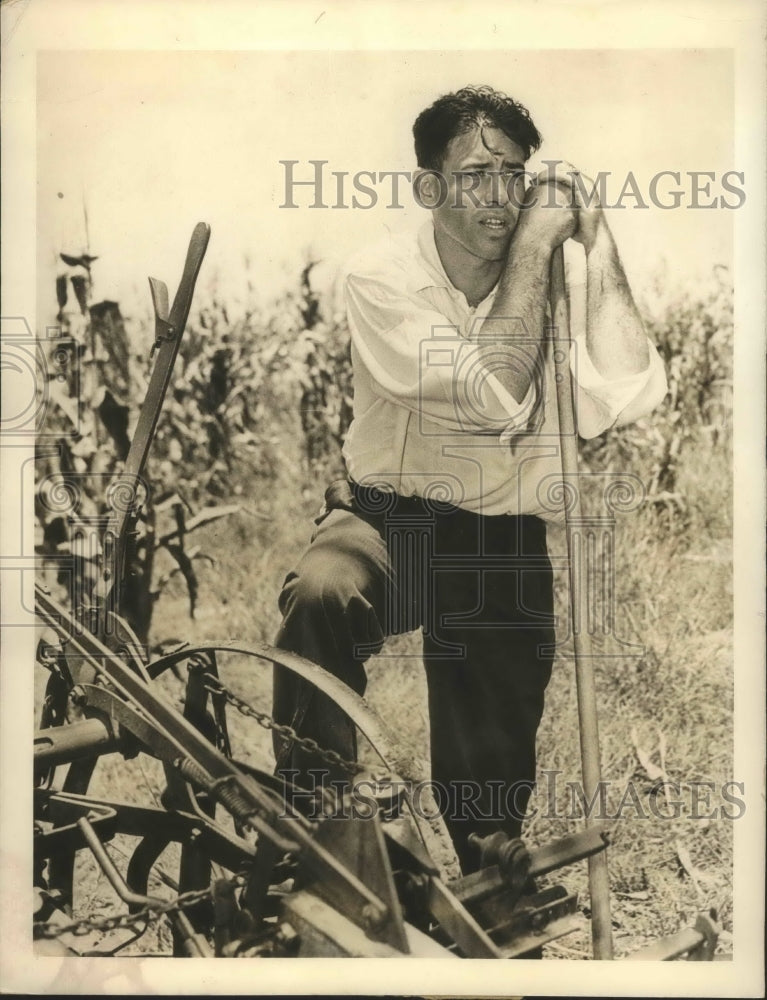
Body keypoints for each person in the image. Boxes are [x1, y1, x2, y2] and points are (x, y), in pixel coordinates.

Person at [272, 85, 667, 874]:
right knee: (321, 595)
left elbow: (634, 390)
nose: (501, 195)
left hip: (497, 533)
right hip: (389, 520)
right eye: (477, 173)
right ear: (428, 189)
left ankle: (486, 873)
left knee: (492, 756)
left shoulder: (558, 276)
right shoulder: (381, 276)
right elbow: (492, 393)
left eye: (515, 175)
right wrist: (532, 252)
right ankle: (317, 838)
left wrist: (599, 242)